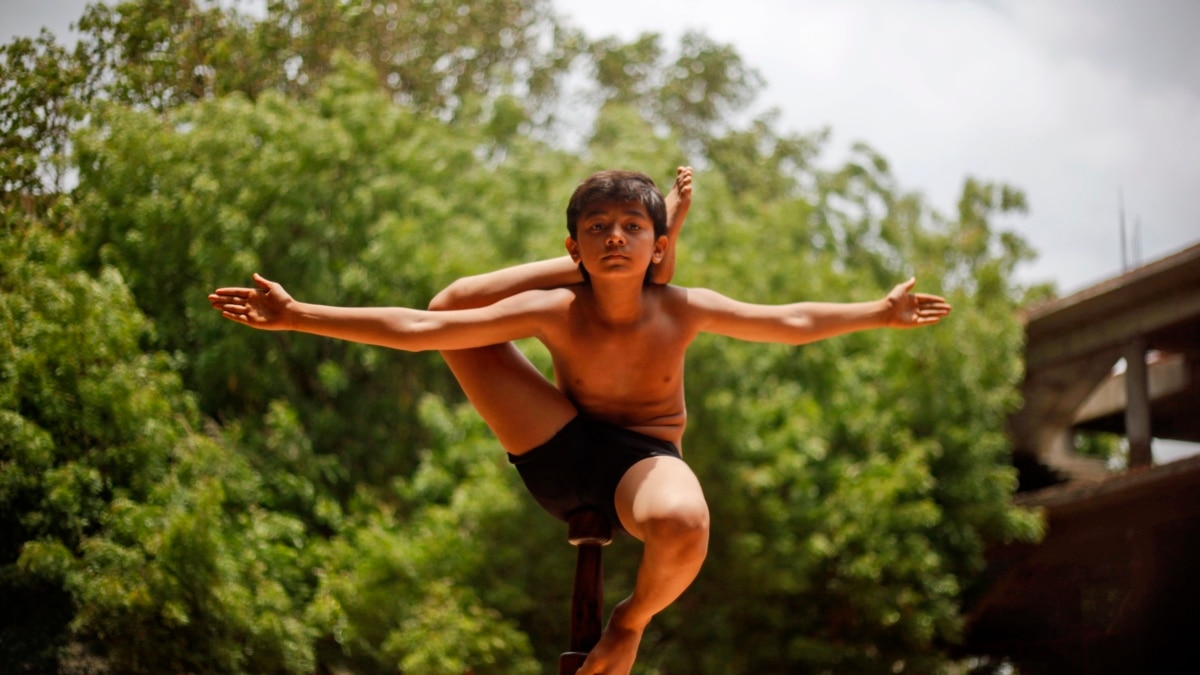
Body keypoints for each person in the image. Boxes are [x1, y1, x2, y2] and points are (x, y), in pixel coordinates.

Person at [208, 168, 951, 674]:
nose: (616, 237)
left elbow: (786, 319)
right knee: (450, 313)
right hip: (558, 447)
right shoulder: (554, 306)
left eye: (633, 227)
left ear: (660, 246)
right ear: (572, 247)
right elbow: (419, 328)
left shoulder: (680, 305)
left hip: (642, 459)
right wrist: (299, 314)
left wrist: (878, 313)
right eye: (598, 229)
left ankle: (628, 623)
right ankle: (594, 238)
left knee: (686, 521)